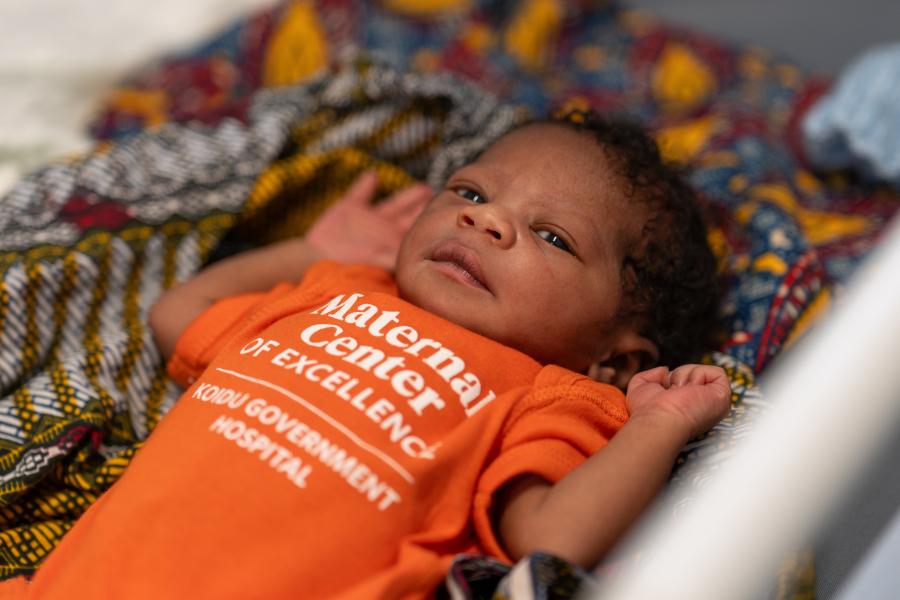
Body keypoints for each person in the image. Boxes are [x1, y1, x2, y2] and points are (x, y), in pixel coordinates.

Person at [7, 110, 730, 599]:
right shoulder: (341, 288)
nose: (484, 219)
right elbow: (179, 315)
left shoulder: (545, 392)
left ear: (613, 359)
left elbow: (553, 537)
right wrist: (313, 249)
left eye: (552, 237)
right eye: (470, 190)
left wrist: (656, 427)